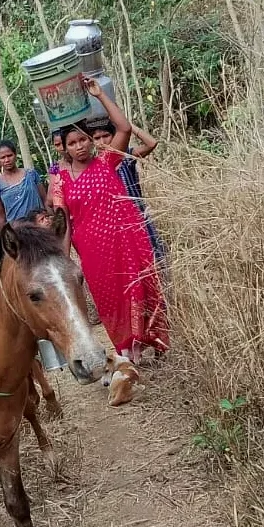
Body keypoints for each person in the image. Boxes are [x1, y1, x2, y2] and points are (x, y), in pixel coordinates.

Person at [49, 76, 169, 364]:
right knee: (109, 298)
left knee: (136, 286)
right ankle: (126, 349)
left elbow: (125, 128)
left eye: (83, 140)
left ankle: (148, 341)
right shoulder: (59, 180)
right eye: (72, 143)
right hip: (91, 249)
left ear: (91, 141)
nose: (79, 146)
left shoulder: (107, 160)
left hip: (124, 239)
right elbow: (64, 221)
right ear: (64, 148)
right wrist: (62, 260)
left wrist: (100, 95)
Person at [87, 118, 166, 261]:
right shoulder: (91, 167)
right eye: (97, 138)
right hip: (113, 225)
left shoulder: (126, 156)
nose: (102, 142)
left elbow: (151, 143)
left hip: (138, 217)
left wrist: (127, 125)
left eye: (106, 136)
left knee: (152, 257)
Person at [0, 138, 47, 227]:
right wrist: (2, 237)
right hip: (17, 231)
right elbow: (1, 216)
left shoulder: (31, 174)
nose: (7, 160)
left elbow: (45, 200)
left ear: (15, 155)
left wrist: (52, 220)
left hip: (39, 226)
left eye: (9, 155)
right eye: (3, 157)